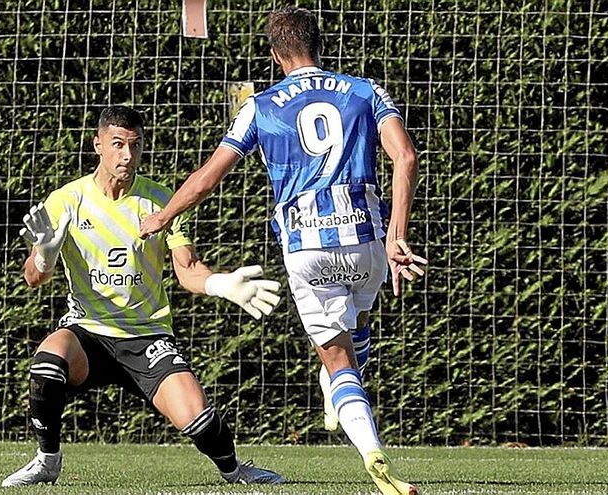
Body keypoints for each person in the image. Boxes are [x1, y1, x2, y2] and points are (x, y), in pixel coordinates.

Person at [139, 7, 426, 495]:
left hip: (306, 247)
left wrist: (162, 217)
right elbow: (406, 156)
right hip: (368, 240)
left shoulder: (261, 105)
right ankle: (339, 391)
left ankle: (370, 450)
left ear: (275, 56)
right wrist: (398, 232)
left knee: (337, 359)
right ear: (320, 46)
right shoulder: (366, 90)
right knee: (354, 330)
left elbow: (209, 177)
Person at [2, 105, 286, 488]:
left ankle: (235, 471)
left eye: (134, 146)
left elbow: (188, 270)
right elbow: (34, 278)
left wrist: (221, 284)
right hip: (88, 333)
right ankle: (47, 459)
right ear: (97, 145)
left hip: (146, 337)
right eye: (117, 145)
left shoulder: (160, 202)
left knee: (199, 420)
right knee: (49, 359)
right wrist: (45, 253)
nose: (126, 155)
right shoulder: (66, 200)